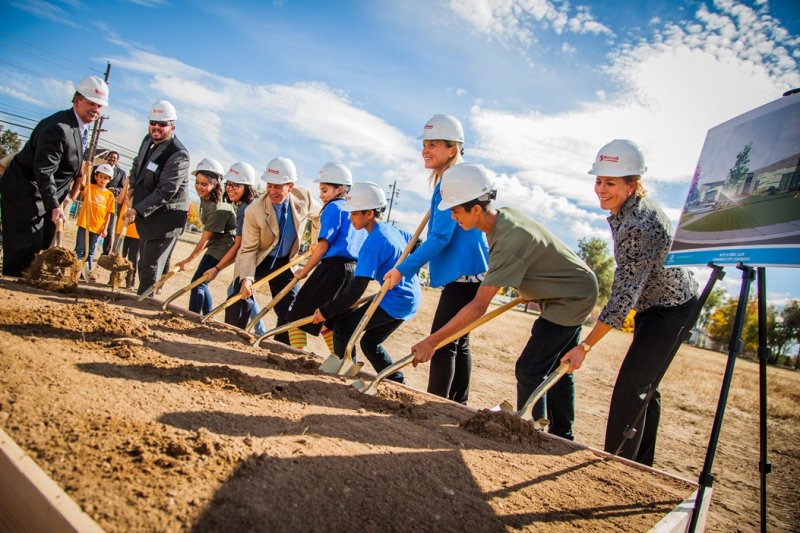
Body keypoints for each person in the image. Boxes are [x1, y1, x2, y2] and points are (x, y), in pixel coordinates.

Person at [411, 163, 598, 440]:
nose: (452, 216)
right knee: (561, 365)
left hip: (571, 297)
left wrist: (432, 341)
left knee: (530, 369)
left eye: (455, 210)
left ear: (476, 209)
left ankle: (535, 431)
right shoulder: (502, 220)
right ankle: (562, 434)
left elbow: (478, 306)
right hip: (569, 288)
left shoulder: (508, 241)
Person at [560, 139, 699, 465]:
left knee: (631, 388)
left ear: (632, 184)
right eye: (598, 181)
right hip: (654, 308)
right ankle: (640, 467)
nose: (601, 189)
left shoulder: (640, 224)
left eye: (610, 182)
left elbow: (623, 296)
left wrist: (585, 347)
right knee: (644, 387)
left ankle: (617, 466)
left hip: (673, 310)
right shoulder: (626, 212)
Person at [384, 114, 489, 404]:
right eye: (424, 144)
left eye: (433, 145)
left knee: (442, 341)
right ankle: (458, 403)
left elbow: (440, 239)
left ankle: (438, 405)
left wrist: (402, 270)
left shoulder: (452, 183)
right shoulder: (453, 179)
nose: (425, 150)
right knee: (458, 340)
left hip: (465, 272)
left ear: (452, 149)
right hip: (475, 271)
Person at [312, 181, 421, 384]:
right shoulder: (392, 230)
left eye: (354, 213)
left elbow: (356, 289)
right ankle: (396, 380)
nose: (350, 218)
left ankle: (344, 376)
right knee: (370, 342)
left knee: (344, 327)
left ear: (369, 213)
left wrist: (326, 311)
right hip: (409, 298)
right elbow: (416, 242)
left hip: (395, 300)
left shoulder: (372, 244)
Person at [1, 75, 109, 276]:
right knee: (26, 244)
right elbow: (45, 170)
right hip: (25, 189)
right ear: (77, 101)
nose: (96, 110)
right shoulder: (58, 128)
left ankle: (28, 280)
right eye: (91, 103)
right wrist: (54, 205)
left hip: (46, 193)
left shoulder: (79, 128)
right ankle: (13, 283)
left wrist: (65, 198)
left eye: (100, 106)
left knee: (43, 240)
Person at [227, 157, 320, 344]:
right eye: (269, 185)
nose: (272, 191)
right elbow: (248, 249)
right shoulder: (254, 210)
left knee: (291, 307)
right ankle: (231, 337)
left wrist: (316, 242)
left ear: (290, 186)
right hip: (261, 259)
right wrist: (247, 278)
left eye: (278, 186)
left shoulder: (304, 198)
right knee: (240, 295)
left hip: (286, 261)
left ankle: (279, 347)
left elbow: (320, 215)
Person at [284, 162, 367, 352]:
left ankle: (295, 355)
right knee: (329, 320)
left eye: (325, 190)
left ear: (339, 189)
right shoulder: (356, 211)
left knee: (297, 315)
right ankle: (339, 359)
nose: (321, 195)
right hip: (352, 271)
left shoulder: (333, 208)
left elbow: (323, 245)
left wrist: (303, 272)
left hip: (332, 269)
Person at [122, 100, 190, 296]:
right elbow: (138, 164)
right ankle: (142, 298)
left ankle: (143, 306)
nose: (156, 127)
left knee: (150, 267)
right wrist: (133, 185)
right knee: (144, 262)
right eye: (153, 122)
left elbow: (166, 190)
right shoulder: (147, 140)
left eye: (162, 124)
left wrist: (137, 209)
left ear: (172, 127)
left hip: (166, 220)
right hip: (149, 215)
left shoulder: (178, 153)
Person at [173, 158, 236, 314]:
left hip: (225, 246)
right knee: (202, 282)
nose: (199, 187)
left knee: (197, 282)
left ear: (214, 185)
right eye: (197, 182)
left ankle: (192, 317)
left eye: (204, 184)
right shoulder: (205, 198)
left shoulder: (218, 208)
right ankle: (208, 316)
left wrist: (188, 261)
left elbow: (205, 239)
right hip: (215, 244)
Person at [74, 163, 116, 280]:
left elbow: (109, 214)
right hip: (84, 224)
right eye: (101, 177)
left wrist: (105, 228)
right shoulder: (90, 187)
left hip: (97, 227)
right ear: (96, 177)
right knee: (80, 248)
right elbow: (82, 184)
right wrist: (87, 171)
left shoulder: (110, 195)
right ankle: (76, 270)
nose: (103, 180)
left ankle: (86, 273)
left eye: (106, 178)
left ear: (109, 180)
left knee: (91, 251)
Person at [97, 151, 128, 256]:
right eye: (111, 157)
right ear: (107, 157)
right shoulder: (98, 168)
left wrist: (114, 190)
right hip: (97, 199)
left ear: (117, 160)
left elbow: (122, 188)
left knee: (109, 228)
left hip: (111, 202)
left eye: (115, 158)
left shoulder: (121, 173)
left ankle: (106, 252)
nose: (112, 159)